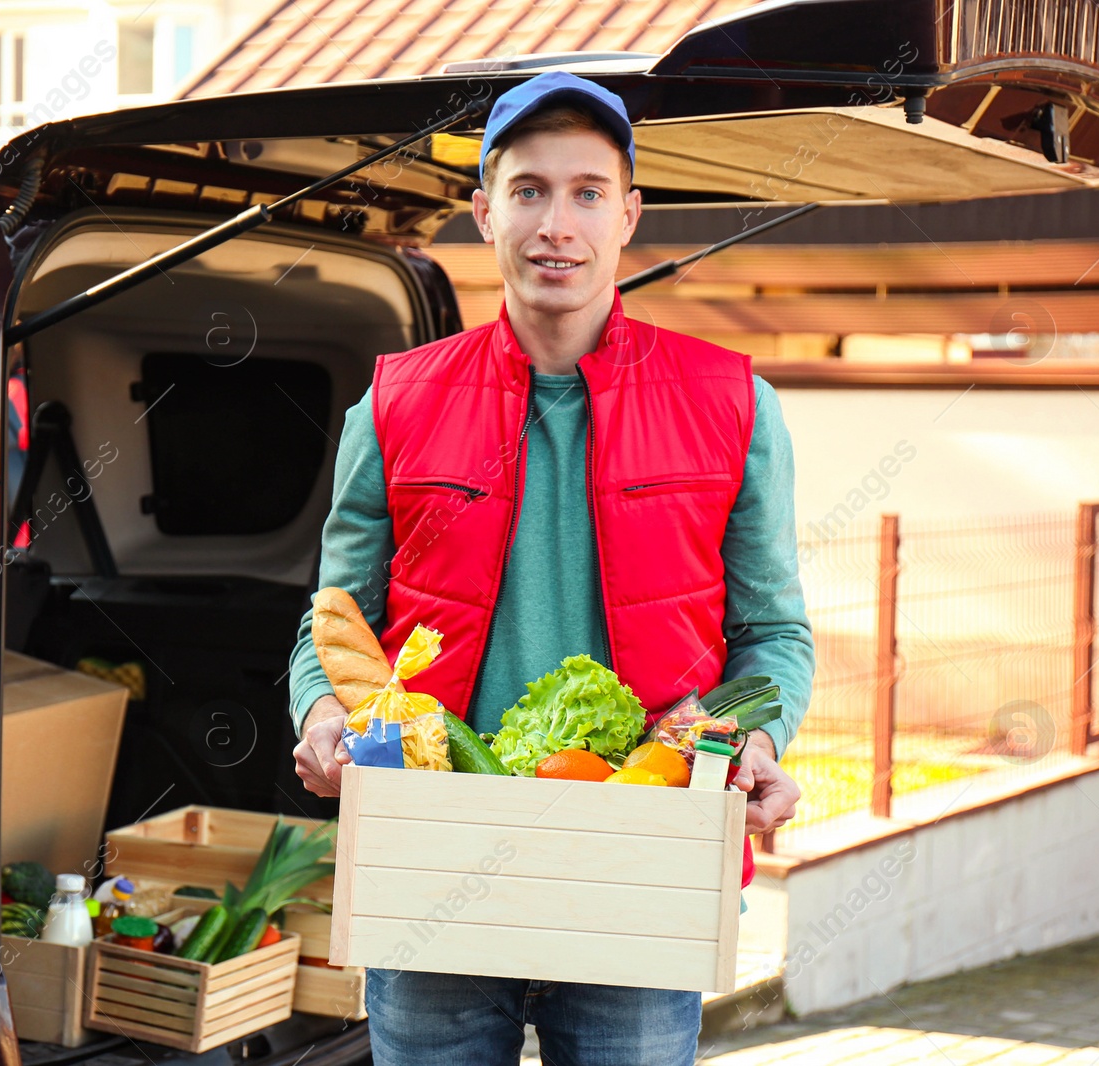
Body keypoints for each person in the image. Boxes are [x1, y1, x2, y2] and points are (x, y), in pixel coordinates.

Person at [286, 71, 814, 1065]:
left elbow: (773, 635)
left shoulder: (733, 404)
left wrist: (756, 737)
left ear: (628, 214)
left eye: (584, 192)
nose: (555, 225)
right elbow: (332, 625)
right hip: (433, 861)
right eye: (528, 191)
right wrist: (319, 715)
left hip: (640, 862)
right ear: (483, 213)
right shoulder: (394, 404)